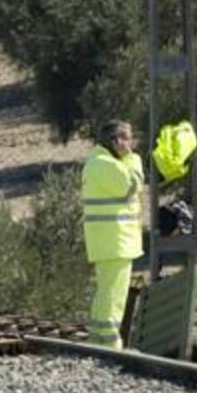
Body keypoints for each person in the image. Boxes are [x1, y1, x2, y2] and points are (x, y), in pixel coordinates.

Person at [81, 120, 144, 349]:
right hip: (115, 241)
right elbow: (133, 184)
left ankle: (97, 339)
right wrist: (132, 158)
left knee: (106, 292)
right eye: (127, 138)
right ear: (115, 141)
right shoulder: (105, 164)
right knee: (114, 295)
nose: (131, 144)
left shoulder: (99, 163)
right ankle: (110, 343)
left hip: (111, 241)